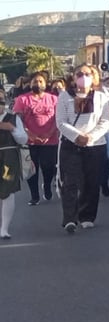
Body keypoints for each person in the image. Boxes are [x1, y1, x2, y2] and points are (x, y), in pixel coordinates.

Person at [56, 64, 109, 234]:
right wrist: (77, 136)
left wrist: (90, 137)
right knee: (70, 182)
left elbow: (106, 122)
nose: (83, 77)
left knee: (91, 181)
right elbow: (61, 122)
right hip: (70, 145)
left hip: (95, 145)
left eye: (87, 74)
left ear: (93, 77)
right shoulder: (65, 97)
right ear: (73, 77)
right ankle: (70, 219)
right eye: (79, 74)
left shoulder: (102, 97)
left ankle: (87, 216)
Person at [13, 71, 59, 206]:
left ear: (45, 84)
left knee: (48, 166)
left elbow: (58, 118)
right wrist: (31, 134)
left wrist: (49, 133)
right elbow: (18, 120)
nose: (37, 84)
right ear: (30, 83)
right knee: (32, 169)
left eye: (40, 81)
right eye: (35, 81)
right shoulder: (22, 99)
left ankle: (47, 186)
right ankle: (34, 196)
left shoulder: (54, 99)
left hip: (50, 140)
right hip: (30, 141)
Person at [0, 92, 28, 240]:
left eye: (1, 101)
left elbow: (23, 139)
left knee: (7, 191)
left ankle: (4, 228)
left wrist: (12, 129)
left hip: (8, 160)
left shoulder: (13, 118)